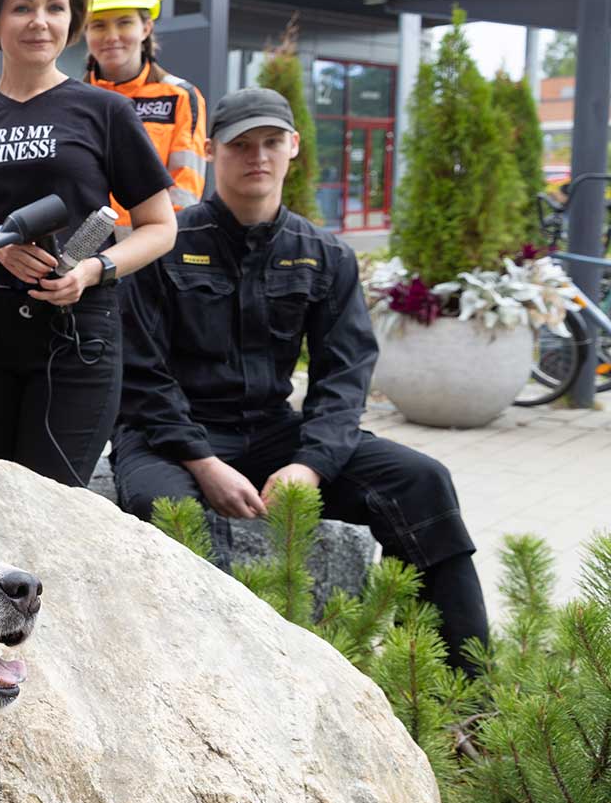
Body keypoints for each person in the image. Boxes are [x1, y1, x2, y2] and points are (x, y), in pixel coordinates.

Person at [114, 87, 490, 673]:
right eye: (241, 144)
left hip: (270, 434)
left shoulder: (324, 255)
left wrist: (310, 464)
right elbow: (139, 374)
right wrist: (202, 462)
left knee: (423, 481)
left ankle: (457, 690)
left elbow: (345, 377)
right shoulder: (164, 245)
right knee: (159, 505)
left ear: (293, 147)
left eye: (270, 142)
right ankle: (196, 678)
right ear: (212, 150)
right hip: (168, 435)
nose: (257, 156)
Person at [0, 0, 177, 487]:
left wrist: (93, 269)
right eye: (22, 8)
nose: (40, 21)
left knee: (52, 498)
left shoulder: (105, 111)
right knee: (1, 493)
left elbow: (160, 226)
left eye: (55, 8)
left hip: (78, 333)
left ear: (72, 21)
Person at [83, 0, 206, 227]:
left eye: (124, 22)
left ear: (146, 28)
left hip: (153, 253)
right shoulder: (71, 101)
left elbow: (185, 191)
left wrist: (154, 244)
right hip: (82, 255)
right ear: (86, 30)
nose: (111, 36)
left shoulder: (179, 97)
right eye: (99, 25)